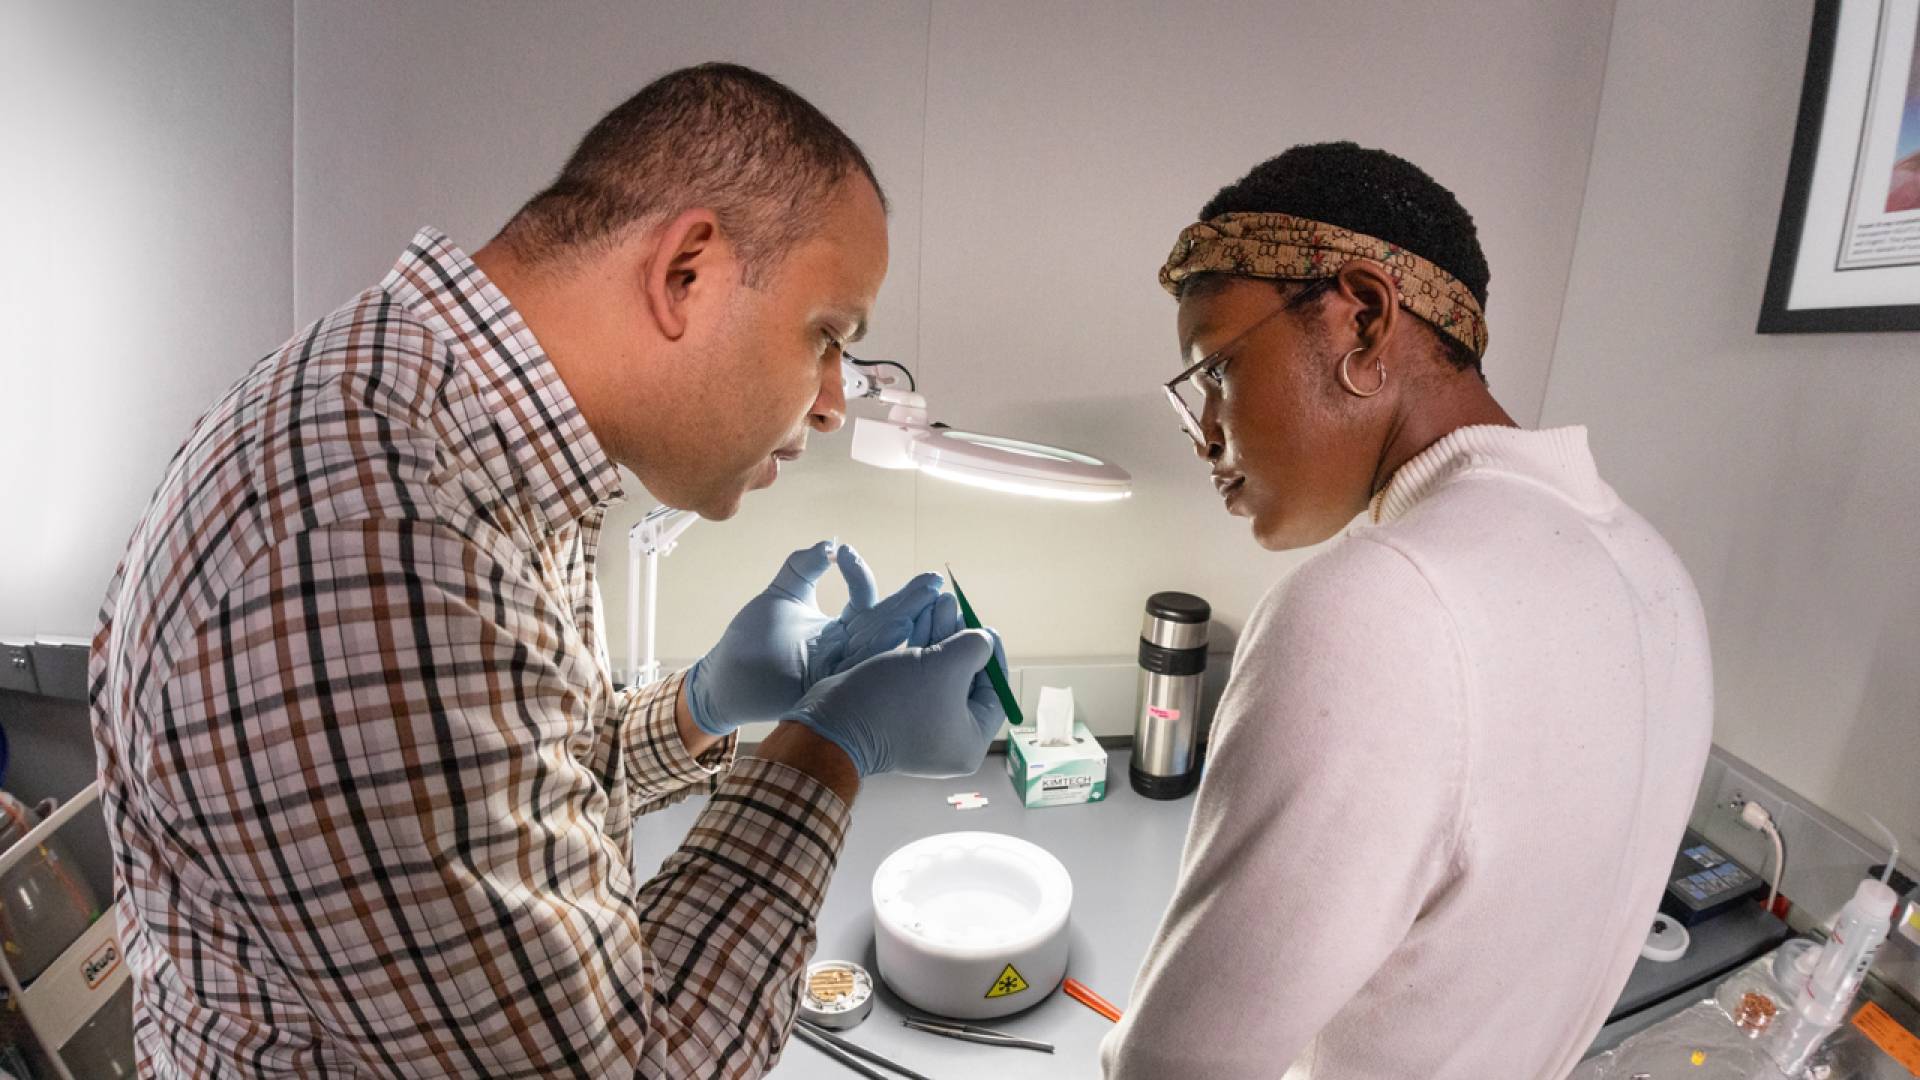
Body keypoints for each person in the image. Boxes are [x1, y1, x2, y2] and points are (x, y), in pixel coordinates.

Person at [89, 63, 1006, 1078]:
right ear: (686, 272)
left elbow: (509, 798)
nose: (834, 404)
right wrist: (830, 748)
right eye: (827, 335)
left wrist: (700, 707)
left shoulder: (443, 425)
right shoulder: (376, 535)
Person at [1103, 143, 1713, 1078]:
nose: (1207, 434)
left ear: (1364, 320)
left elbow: (1172, 1071)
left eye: (1214, 371)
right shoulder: (1657, 573)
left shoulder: (1379, 604)